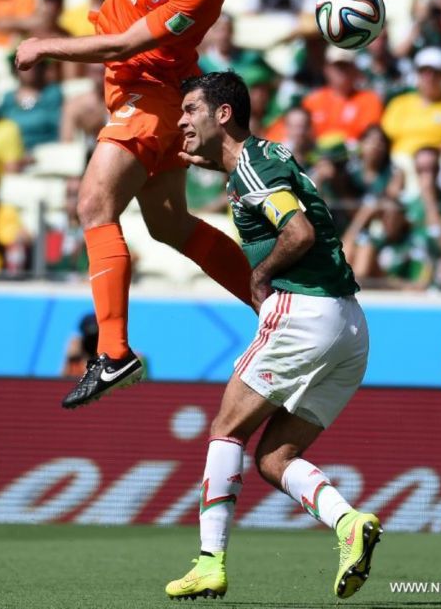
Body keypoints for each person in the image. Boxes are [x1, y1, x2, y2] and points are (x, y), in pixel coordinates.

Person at [15, 0, 255, 410]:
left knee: (93, 204)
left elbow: (125, 43)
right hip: (138, 89)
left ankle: (114, 353)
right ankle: (268, 300)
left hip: (152, 95)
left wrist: (44, 47)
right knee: (169, 224)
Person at [167, 69, 382, 602]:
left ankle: (209, 562)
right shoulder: (265, 156)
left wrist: (261, 275)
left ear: (223, 114)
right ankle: (349, 524)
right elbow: (261, 186)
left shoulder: (249, 168)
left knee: (226, 429)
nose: (181, 120)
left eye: (190, 110)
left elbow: (299, 231)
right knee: (273, 460)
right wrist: (195, 157)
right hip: (350, 325)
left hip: (302, 310)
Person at [382, 47, 441, 158]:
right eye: (424, 72)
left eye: (436, 73)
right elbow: (386, 137)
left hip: (439, 162)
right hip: (402, 159)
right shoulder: (399, 104)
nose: (430, 78)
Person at [0, 61, 63, 152]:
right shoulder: (8, 98)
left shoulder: (52, 93)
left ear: (42, 68)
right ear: (15, 69)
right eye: (23, 66)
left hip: (46, 151)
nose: (29, 69)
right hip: (11, 152)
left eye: (34, 65)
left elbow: (58, 124)